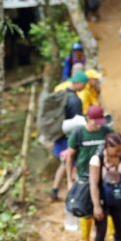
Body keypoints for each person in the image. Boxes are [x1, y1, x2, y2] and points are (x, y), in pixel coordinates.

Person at [66, 105, 114, 241]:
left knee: (108, 207)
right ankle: (84, 240)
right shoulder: (79, 133)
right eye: (96, 121)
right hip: (85, 177)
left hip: (104, 176)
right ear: (88, 118)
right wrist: (69, 180)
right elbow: (70, 157)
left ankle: (110, 238)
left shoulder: (106, 132)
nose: (98, 124)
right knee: (86, 209)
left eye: (100, 121)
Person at [50, 72, 87, 201]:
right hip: (69, 138)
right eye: (84, 84)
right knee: (72, 163)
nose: (85, 87)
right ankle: (72, 192)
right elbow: (77, 122)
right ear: (79, 83)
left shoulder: (63, 94)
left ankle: (54, 190)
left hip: (59, 134)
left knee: (64, 163)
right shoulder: (75, 100)